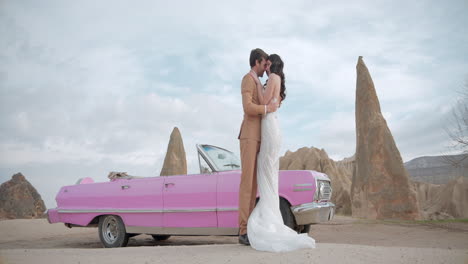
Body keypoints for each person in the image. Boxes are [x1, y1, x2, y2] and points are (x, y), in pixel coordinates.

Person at [246, 54, 316, 252]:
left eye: (268, 64)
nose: (266, 67)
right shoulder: (276, 79)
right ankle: (271, 214)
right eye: (264, 64)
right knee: (267, 169)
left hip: (269, 123)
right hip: (271, 124)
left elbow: (265, 101)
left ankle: (269, 217)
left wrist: (259, 87)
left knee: (266, 167)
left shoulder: (274, 78)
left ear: (273, 64)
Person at [238, 48, 278, 246]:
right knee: (247, 184)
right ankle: (243, 230)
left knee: (255, 185)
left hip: (259, 137)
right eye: (264, 64)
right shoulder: (247, 79)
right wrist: (266, 109)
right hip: (249, 136)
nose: (265, 68)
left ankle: (251, 228)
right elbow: (247, 107)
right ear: (256, 62)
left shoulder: (261, 81)